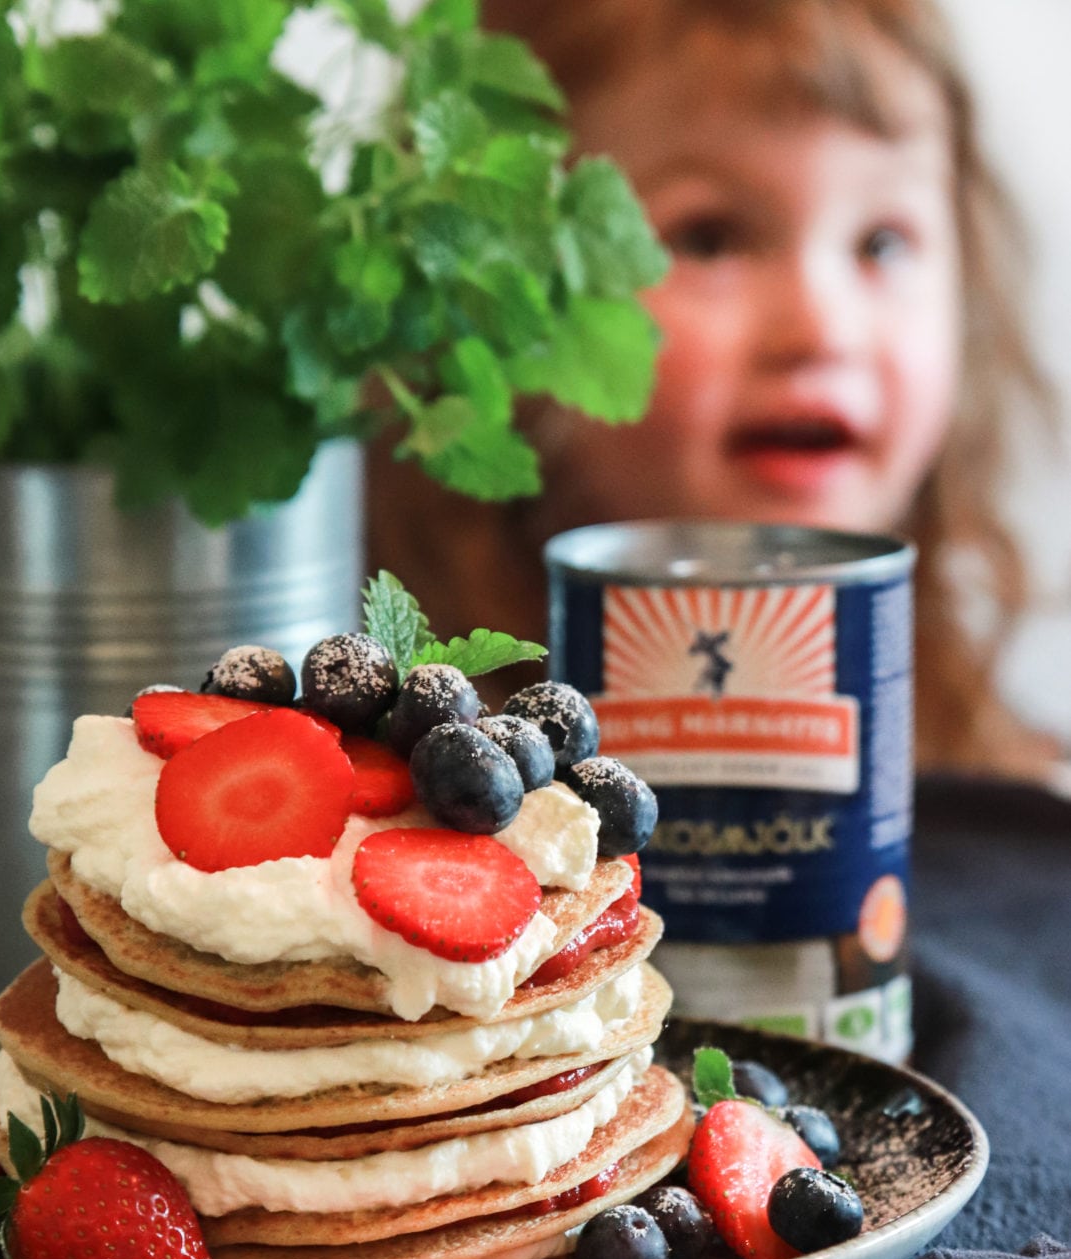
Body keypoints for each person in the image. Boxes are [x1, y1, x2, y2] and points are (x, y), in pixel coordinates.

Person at [368, 0, 1061, 776]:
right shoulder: (416, 768)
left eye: (883, 242)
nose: (823, 330)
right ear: (490, 302)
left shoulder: (1012, 780)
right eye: (710, 238)